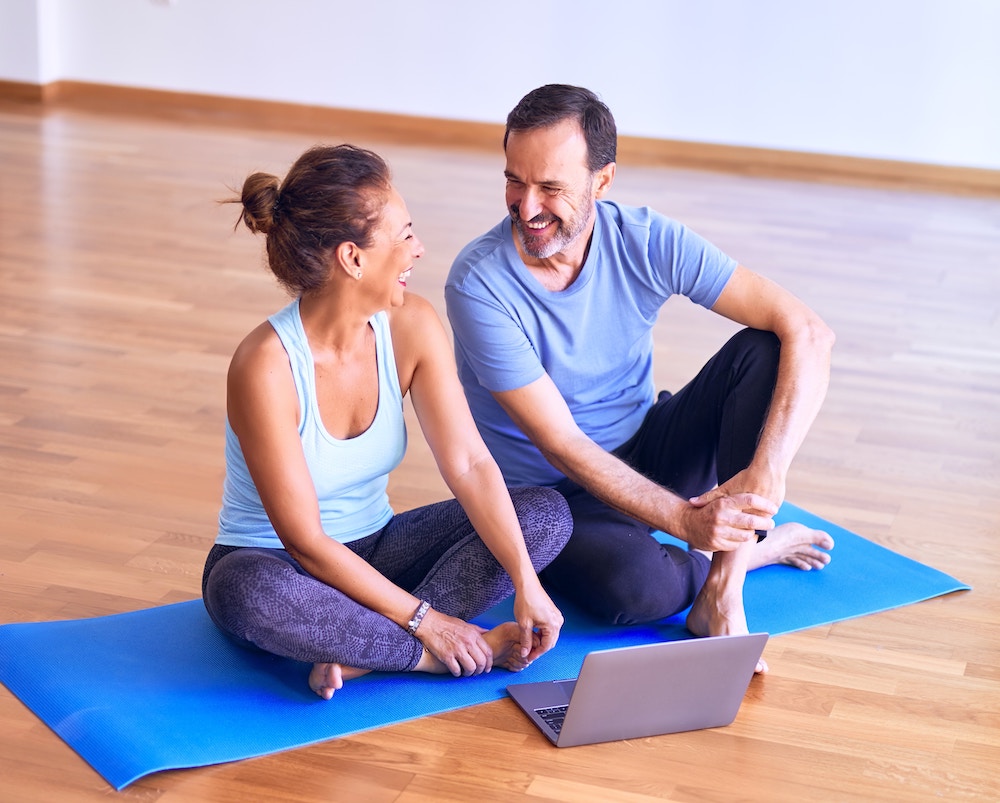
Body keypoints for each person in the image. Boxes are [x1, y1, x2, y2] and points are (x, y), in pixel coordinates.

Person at [445, 84, 836, 673]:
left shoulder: (646, 239)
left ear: (602, 182)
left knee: (765, 348)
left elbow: (808, 331)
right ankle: (755, 552)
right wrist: (685, 521)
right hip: (557, 498)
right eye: (514, 181)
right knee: (635, 592)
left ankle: (723, 592)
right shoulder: (478, 284)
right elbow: (564, 445)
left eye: (551, 188)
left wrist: (768, 474)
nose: (527, 207)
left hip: (650, 447)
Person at [202, 144, 573, 699]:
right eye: (403, 236)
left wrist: (525, 580)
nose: (418, 249)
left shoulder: (413, 327)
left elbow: (470, 463)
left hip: (378, 548)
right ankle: (425, 655)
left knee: (545, 516)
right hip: (278, 564)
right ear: (352, 258)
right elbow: (304, 542)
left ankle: (361, 656)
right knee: (246, 593)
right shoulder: (266, 365)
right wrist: (430, 623)